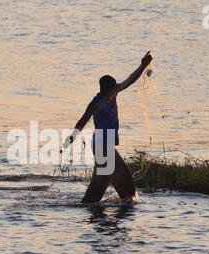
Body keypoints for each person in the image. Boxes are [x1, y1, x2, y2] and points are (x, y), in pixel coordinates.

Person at [64, 51, 153, 204]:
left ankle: (89, 206)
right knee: (127, 186)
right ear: (106, 89)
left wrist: (143, 65)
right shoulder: (96, 102)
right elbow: (83, 120)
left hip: (103, 143)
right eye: (114, 87)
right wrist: (72, 136)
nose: (118, 88)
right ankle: (123, 206)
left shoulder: (113, 94)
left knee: (101, 182)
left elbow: (129, 80)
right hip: (102, 144)